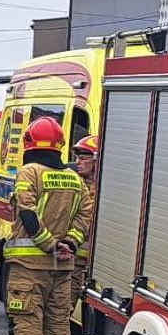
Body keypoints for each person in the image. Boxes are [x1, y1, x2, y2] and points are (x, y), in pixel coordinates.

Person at [0, 117, 94, 335]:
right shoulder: (74, 178)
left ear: (29, 143)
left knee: (28, 317)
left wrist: (48, 244)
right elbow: (84, 217)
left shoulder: (30, 172)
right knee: (58, 320)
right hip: (62, 267)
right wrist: (69, 244)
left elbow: (26, 211)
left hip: (29, 264)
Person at [69, 134, 99, 312]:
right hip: (76, 262)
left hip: (98, 264)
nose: (78, 162)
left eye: (83, 158)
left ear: (97, 160)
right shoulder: (76, 185)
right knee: (63, 310)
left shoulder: (106, 189)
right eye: (77, 158)